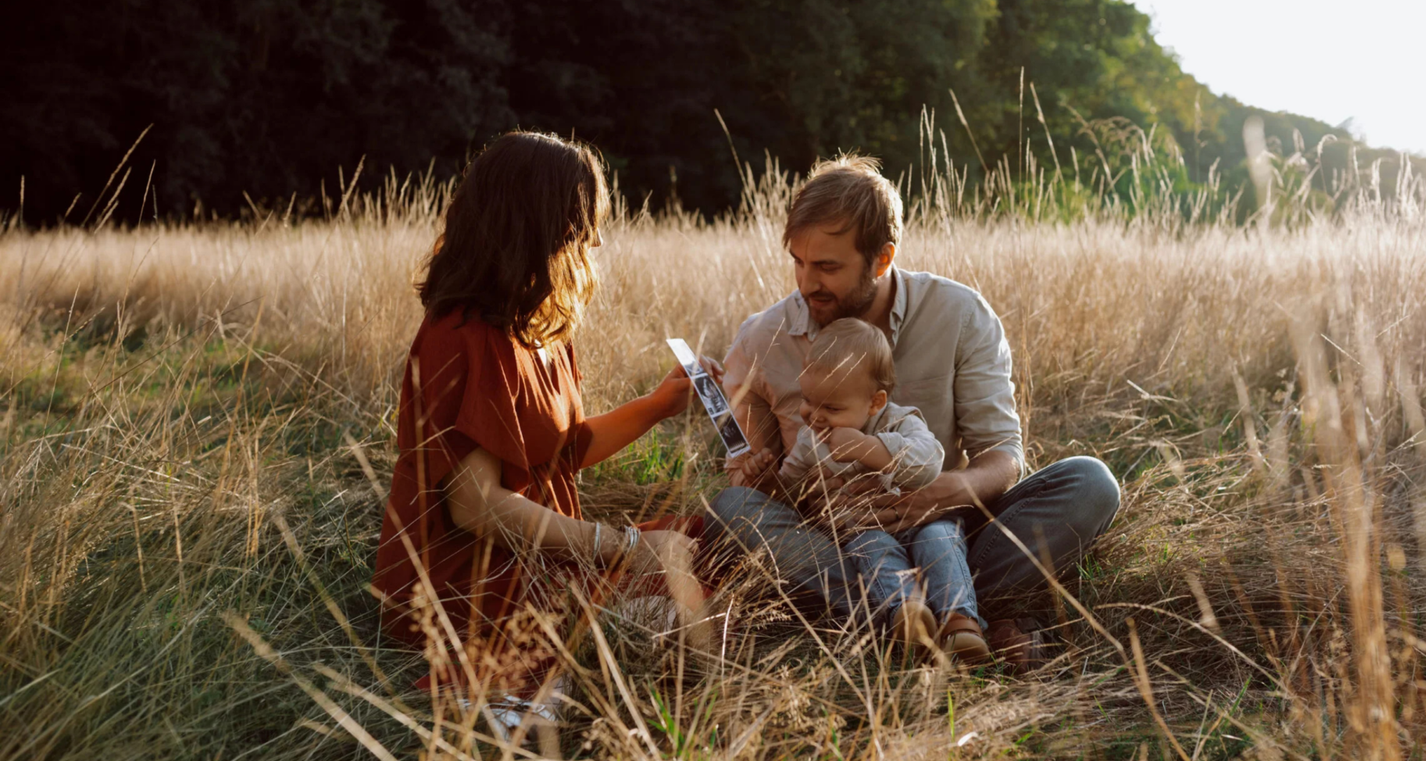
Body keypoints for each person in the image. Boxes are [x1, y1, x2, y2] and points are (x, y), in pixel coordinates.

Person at [704, 155, 1122, 669]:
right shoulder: (762, 339)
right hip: (839, 547)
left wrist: (944, 492)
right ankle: (953, 619)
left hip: (947, 530)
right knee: (731, 508)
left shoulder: (959, 313)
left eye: (828, 267)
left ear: (882, 259)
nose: (807, 282)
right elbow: (764, 487)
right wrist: (757, 473)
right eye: (798, 261)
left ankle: (897, 621)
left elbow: (1003, 455)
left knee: (1090, 483)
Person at [373, 131, 710, 752]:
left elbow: (559, 452)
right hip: (470, 577)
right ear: (532, 223)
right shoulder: (461, 332)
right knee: (668, 593)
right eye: (581, 221)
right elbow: (474, 506)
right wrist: (626, 546)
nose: (596, 240)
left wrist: (658, 407)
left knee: (708, 541)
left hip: (539, 553)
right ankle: (496, 692)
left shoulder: (541, 324)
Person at [766, 318, 987, 662]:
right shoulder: (812, 439)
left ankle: (960, 622)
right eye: (808, 400)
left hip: (924, 521)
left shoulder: (900, 420)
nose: (814, 416)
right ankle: (908, 614)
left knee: (939, 542)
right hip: (868, 530)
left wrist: (868, 449)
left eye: (832, 408)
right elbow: (789, 484)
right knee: (872, 548)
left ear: (875, 402)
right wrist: (775, 480)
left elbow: (930, 460)